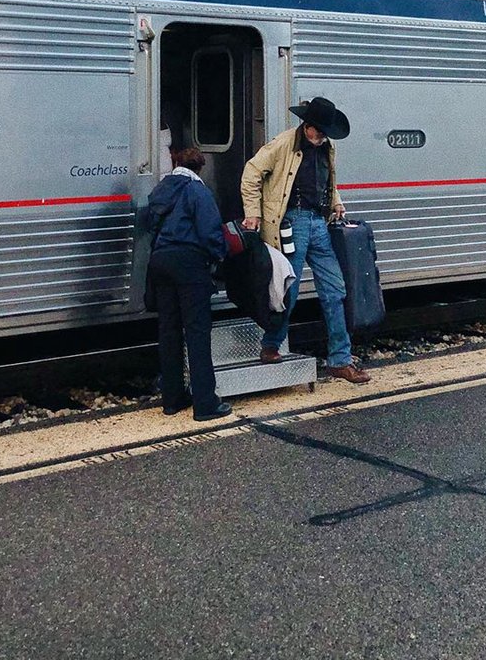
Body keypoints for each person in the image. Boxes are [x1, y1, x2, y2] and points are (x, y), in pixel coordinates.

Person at [240, 96, 371, 384]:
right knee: (290, 287)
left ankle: (340, 359)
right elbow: (251, 173)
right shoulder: (284, 143)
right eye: (320, 131)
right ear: (307, 126)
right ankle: (271, 344)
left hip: (319, 223)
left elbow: (328, 181)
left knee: (335, 289)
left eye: (327, 132)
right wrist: (253, 213)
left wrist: (336, 200)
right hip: (293, 222)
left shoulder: (327, 146)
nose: (324, 136)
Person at [147, 147, 232, 421]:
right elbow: (210, 231)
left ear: (175, 164)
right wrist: (219, 258)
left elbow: (151, 226)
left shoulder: (161, 189)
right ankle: (205, 404)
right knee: (196, 332)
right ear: (199, 168)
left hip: (160, 262)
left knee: (169, 331)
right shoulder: (197, 190)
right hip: (188, 262)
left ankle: (172, 399)